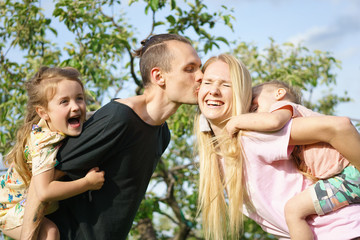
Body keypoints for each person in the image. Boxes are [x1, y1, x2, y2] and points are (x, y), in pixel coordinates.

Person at [20, 33, 203, 240]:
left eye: (199, 67)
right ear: (158, 76)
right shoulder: (118, 119)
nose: (201, 76)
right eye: (190, 69)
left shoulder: (162, 133)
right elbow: (39, 185)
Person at [195, 53, 360, 240]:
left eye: (226, 84)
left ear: (242, 94)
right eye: (207, 83)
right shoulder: (216, 155)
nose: (214, 90)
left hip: (344, 232)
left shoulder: (256, 135)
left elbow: (339, 127)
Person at [0, 67, 105, 240]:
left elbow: (97, 117)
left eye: (79, 98)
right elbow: (45, 191)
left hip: (27, 204)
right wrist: (87, 183)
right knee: (50, 233)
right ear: (43, 113)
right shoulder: (44, 143)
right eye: (64, 101)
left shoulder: (64, 122)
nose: (76, 107)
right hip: (9, 210)